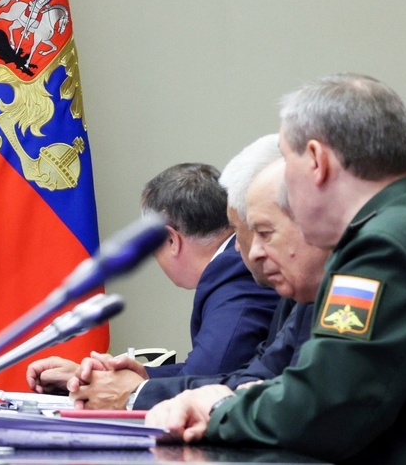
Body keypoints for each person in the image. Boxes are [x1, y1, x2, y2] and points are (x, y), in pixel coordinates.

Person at [146, 74, 406, 464]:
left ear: (316, 161)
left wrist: (217, 409)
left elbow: (322, 408)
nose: (282, 186)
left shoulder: (379, 249)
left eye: (286, 160)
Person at [27, 163, 279, 402]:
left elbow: (206, 382)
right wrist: (122, 378)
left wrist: (127, 390)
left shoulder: (235, 271)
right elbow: (216, 373)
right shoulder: (230, 266)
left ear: (170, 240)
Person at [129, 158, 327, 409]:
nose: (248, 251)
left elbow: (211, 376)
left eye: (264, 232)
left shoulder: (236, 271)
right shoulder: (277, 281)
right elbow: (254, 373)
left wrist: (133, 393)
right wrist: (143, 378)